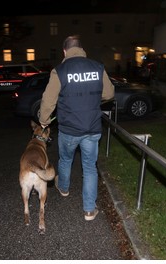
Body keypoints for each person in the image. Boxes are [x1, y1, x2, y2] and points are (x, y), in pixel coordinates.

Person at [39, 35, 115, 221]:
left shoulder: (60, 71)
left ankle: (63, 188)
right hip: (92, 127)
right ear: (82, 49)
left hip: (69, 129)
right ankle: (89, 210)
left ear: (65, 51)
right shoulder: (97, 67)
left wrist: (44, 120)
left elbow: (49, 100)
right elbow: (109, 93)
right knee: (89, 167)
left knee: (65, 159)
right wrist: (92, 100)